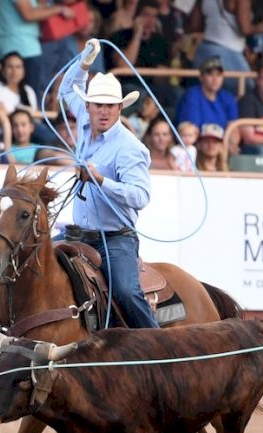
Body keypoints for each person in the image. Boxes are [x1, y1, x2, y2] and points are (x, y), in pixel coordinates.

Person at [59, 38, 156, 329]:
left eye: (110, 106)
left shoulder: (130, 147)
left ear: (119, 109)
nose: (103, 111)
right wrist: (84, 62)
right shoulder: (84, 120)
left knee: (126, 291)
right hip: (78, 233)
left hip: (115, 239)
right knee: (32, 265)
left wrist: (102, 180)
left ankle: (158, 347)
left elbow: (140, 196)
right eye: (98, 105)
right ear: (88, 106)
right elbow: (66, 89)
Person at [189, 0, 253, 94]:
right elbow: (245, 29)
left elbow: (194, 24)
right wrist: (262, 28)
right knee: (250, 91)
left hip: (203, 52)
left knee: (207, 95)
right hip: (228, 53)